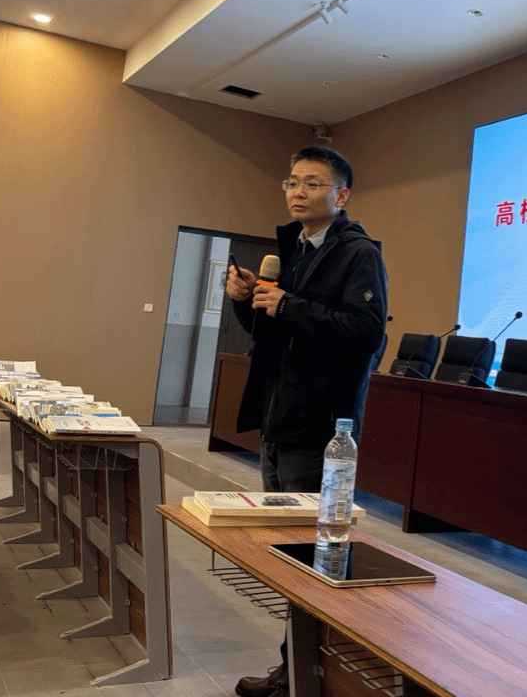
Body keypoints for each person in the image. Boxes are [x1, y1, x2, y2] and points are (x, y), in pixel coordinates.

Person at [225, 145, 388, 697]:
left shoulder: (358, 254)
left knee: (312, 555)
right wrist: (248, 301)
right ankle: (295, 672)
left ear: (342, 195)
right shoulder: (294, 249)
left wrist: (288, 304)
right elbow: (274, 334)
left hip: (320, 431)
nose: (298, 191)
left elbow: (366, 333)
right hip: (279, 420)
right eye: (292, 181)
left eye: (313, 183)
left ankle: (306, 678)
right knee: (288, 554)